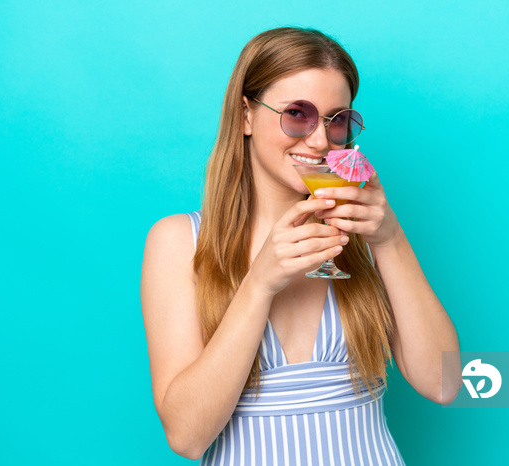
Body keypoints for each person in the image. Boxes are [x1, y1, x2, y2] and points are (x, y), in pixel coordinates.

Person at [141, 27, 462, 464]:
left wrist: (389, 238)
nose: (318, 141)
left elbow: (443, 383)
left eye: (337, 120)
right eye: (297, 113)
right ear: (245, 116)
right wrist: (260, 283)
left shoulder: (358, 234)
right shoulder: (179, 241)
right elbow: (186, 437)